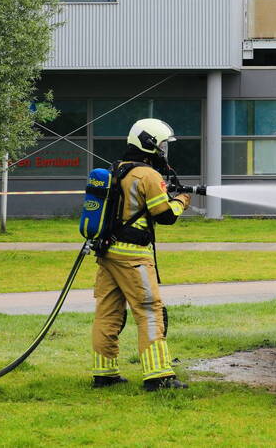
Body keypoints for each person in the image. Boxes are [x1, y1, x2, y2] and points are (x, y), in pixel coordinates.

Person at [90, 118, 191, 391]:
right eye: (160, 146)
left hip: (108, 253)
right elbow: (166, 216)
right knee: (148, 310)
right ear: (149, 143)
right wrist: (181, 200)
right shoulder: (148, 175)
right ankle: (159, 376)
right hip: (133, 257)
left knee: (108, 312)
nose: (162, 152)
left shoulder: (117, 169)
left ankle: (104, 374)